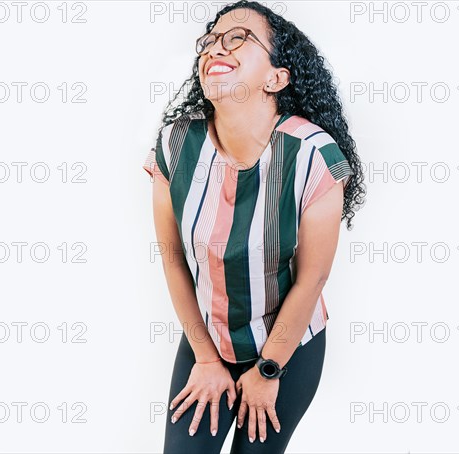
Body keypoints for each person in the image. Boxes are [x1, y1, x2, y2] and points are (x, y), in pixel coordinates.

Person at [142, 1, 365, 452]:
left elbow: (312, 279)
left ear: (276, 78)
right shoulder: (176, 142)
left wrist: (268, 371)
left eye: (238, 37)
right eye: (210, 40)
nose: (215, 47)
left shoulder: (313, 156)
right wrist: (205, 357)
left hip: (288, 347)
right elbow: (173, 261)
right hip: (209, 339)